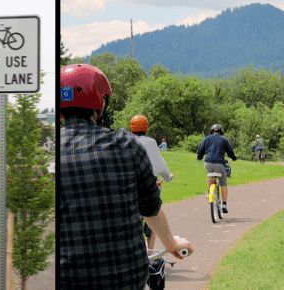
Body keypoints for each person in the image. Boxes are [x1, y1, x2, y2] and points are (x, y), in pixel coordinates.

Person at [60, 64, 193, 289]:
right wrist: (171, 243)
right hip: (124, 278)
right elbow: (150, 208)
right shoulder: (128, 146)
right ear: (100, 104)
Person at [130, 115, 174, 251]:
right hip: (149, 186)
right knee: (152, 215)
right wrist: (167, 176)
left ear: (131, 127)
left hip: (130, 186)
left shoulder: (125, 140)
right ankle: (150, 252)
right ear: (146, 127)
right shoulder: (150, 142)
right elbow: (159, 161)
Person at [196, 124, 238, 214]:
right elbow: (230, 151)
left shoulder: (206, 138)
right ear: (221, 131)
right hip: (220, 163)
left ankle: (209, 192)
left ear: (211, 131)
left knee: (209, 175)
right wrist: (233, 157)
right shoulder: (224, 139)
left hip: (208, 163)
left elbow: (200, 150)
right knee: (223, 183)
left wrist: (199, 157)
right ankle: (224, 204)